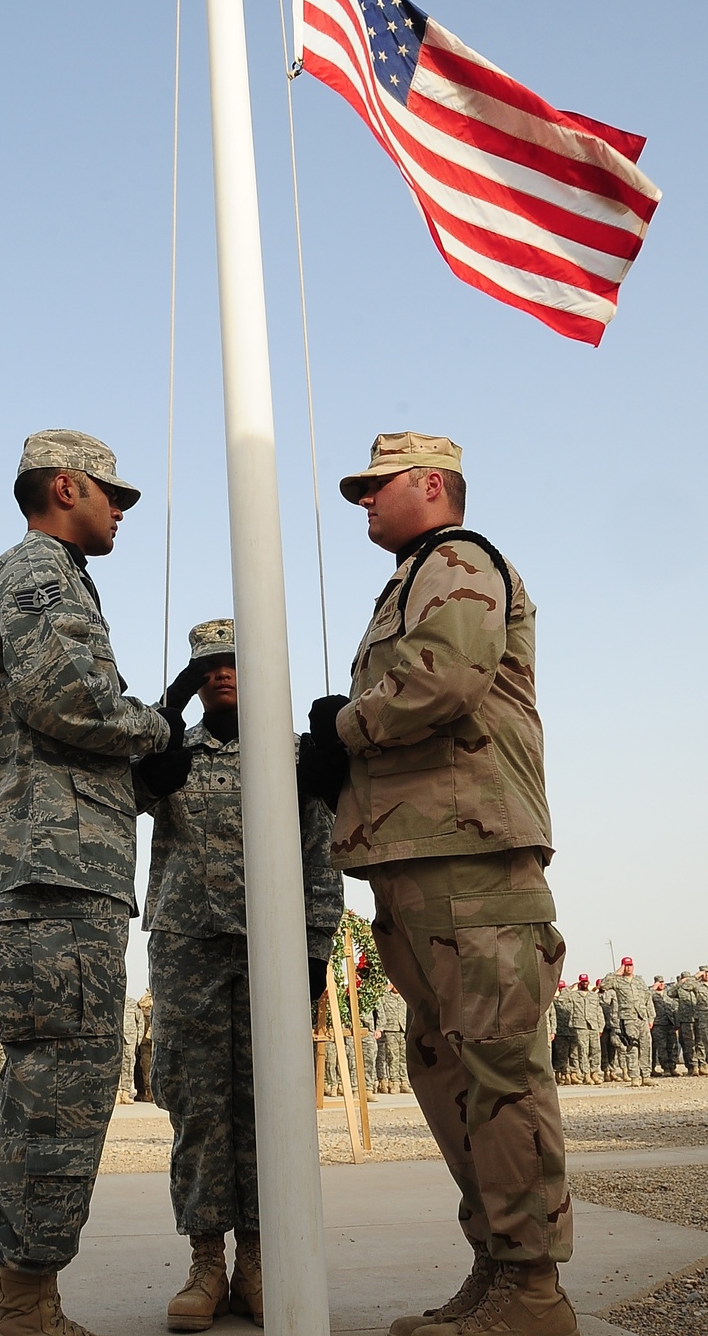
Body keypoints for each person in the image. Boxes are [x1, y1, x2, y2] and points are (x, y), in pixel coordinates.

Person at [306, 432, 575, 1336]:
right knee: (449, 1070)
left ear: (431, 485)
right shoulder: (411, 574)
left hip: (473, 859)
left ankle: (533, 1290)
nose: (365, 505)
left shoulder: (457, 559)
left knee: (497, 1070)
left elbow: (448, 678)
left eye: (377, 489)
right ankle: (500, 1266)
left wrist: (343, 728)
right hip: (420, 862)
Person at [0, 429, 178, 1336]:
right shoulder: (41, 571)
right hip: (54, 872)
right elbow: (70, 700)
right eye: (111, 495)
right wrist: (157, 731)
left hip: (51, 865)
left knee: (46, 1079)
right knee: (66, 1084)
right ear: (64, 486)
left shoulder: (49, 576)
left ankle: (20, 1300)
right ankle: (23, 1308)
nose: (122, 510)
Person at [136, 617, 342, 1331]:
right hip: (188, 948)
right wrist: (164, 715)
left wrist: (315, 951)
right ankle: (205, 1263)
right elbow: (127, 792)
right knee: (197, 1107)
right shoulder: (171, 758)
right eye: (209, 666)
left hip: (271, 953)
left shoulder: (290, 758)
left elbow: (321, 856)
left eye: (234, 663)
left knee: (267, 1106)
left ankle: (257, 1259)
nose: (223, 673)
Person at [601, 958, 655, 1087]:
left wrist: (651, 1017)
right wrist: (617, 972)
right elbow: (603, 985)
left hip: (642, 1018)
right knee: (632, 1047)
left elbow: (648, 999)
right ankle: (635, 1077)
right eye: (626, 965)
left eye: (630, 965)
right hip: (628, 1019)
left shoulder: (639, 981)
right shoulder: (617, 981)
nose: (628, 968)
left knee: (646, 1047)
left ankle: (646, 1076)